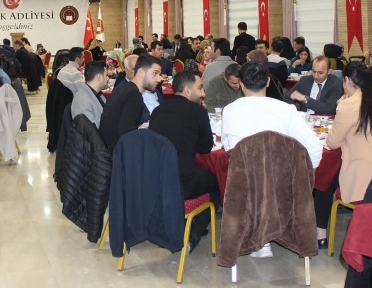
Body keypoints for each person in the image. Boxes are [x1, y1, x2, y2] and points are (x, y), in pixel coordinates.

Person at [221, 61, 322, 259]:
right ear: (268, 82)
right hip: (281, 183)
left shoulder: (230, 110)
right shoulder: (286, 110)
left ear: (241, 84)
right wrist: (304, 176)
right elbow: (314, 147)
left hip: (245, 185)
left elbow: (228, 148)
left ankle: (259, 236)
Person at [313, 62, 372, 247]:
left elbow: (332, 142)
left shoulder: (348, 105)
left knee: (324, 179)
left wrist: (343, 104)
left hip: (361, 172)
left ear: (347, 80)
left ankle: (320, 234)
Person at [149, 71, 217, 252]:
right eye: (200, 88)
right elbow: (205, 148)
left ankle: (189, 223)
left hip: (156, 181)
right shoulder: (198, 112)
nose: (203, 93)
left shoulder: (158, 111)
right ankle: (194, 234)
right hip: (183, 184)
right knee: (214, 181)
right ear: (187, 91)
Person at [99, 54, 162, 153]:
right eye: (155, 73)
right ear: (141, 72)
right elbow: (126, 137)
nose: (159, 79)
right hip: (115, 154)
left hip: (106, 148)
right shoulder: (134, 96)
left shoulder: (122, 88)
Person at [71, 60, 108, 127]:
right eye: (106, 75)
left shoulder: (97, 93)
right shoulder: (83, 100)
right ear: (99, 77)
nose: (108, 79)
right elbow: (91, 130)